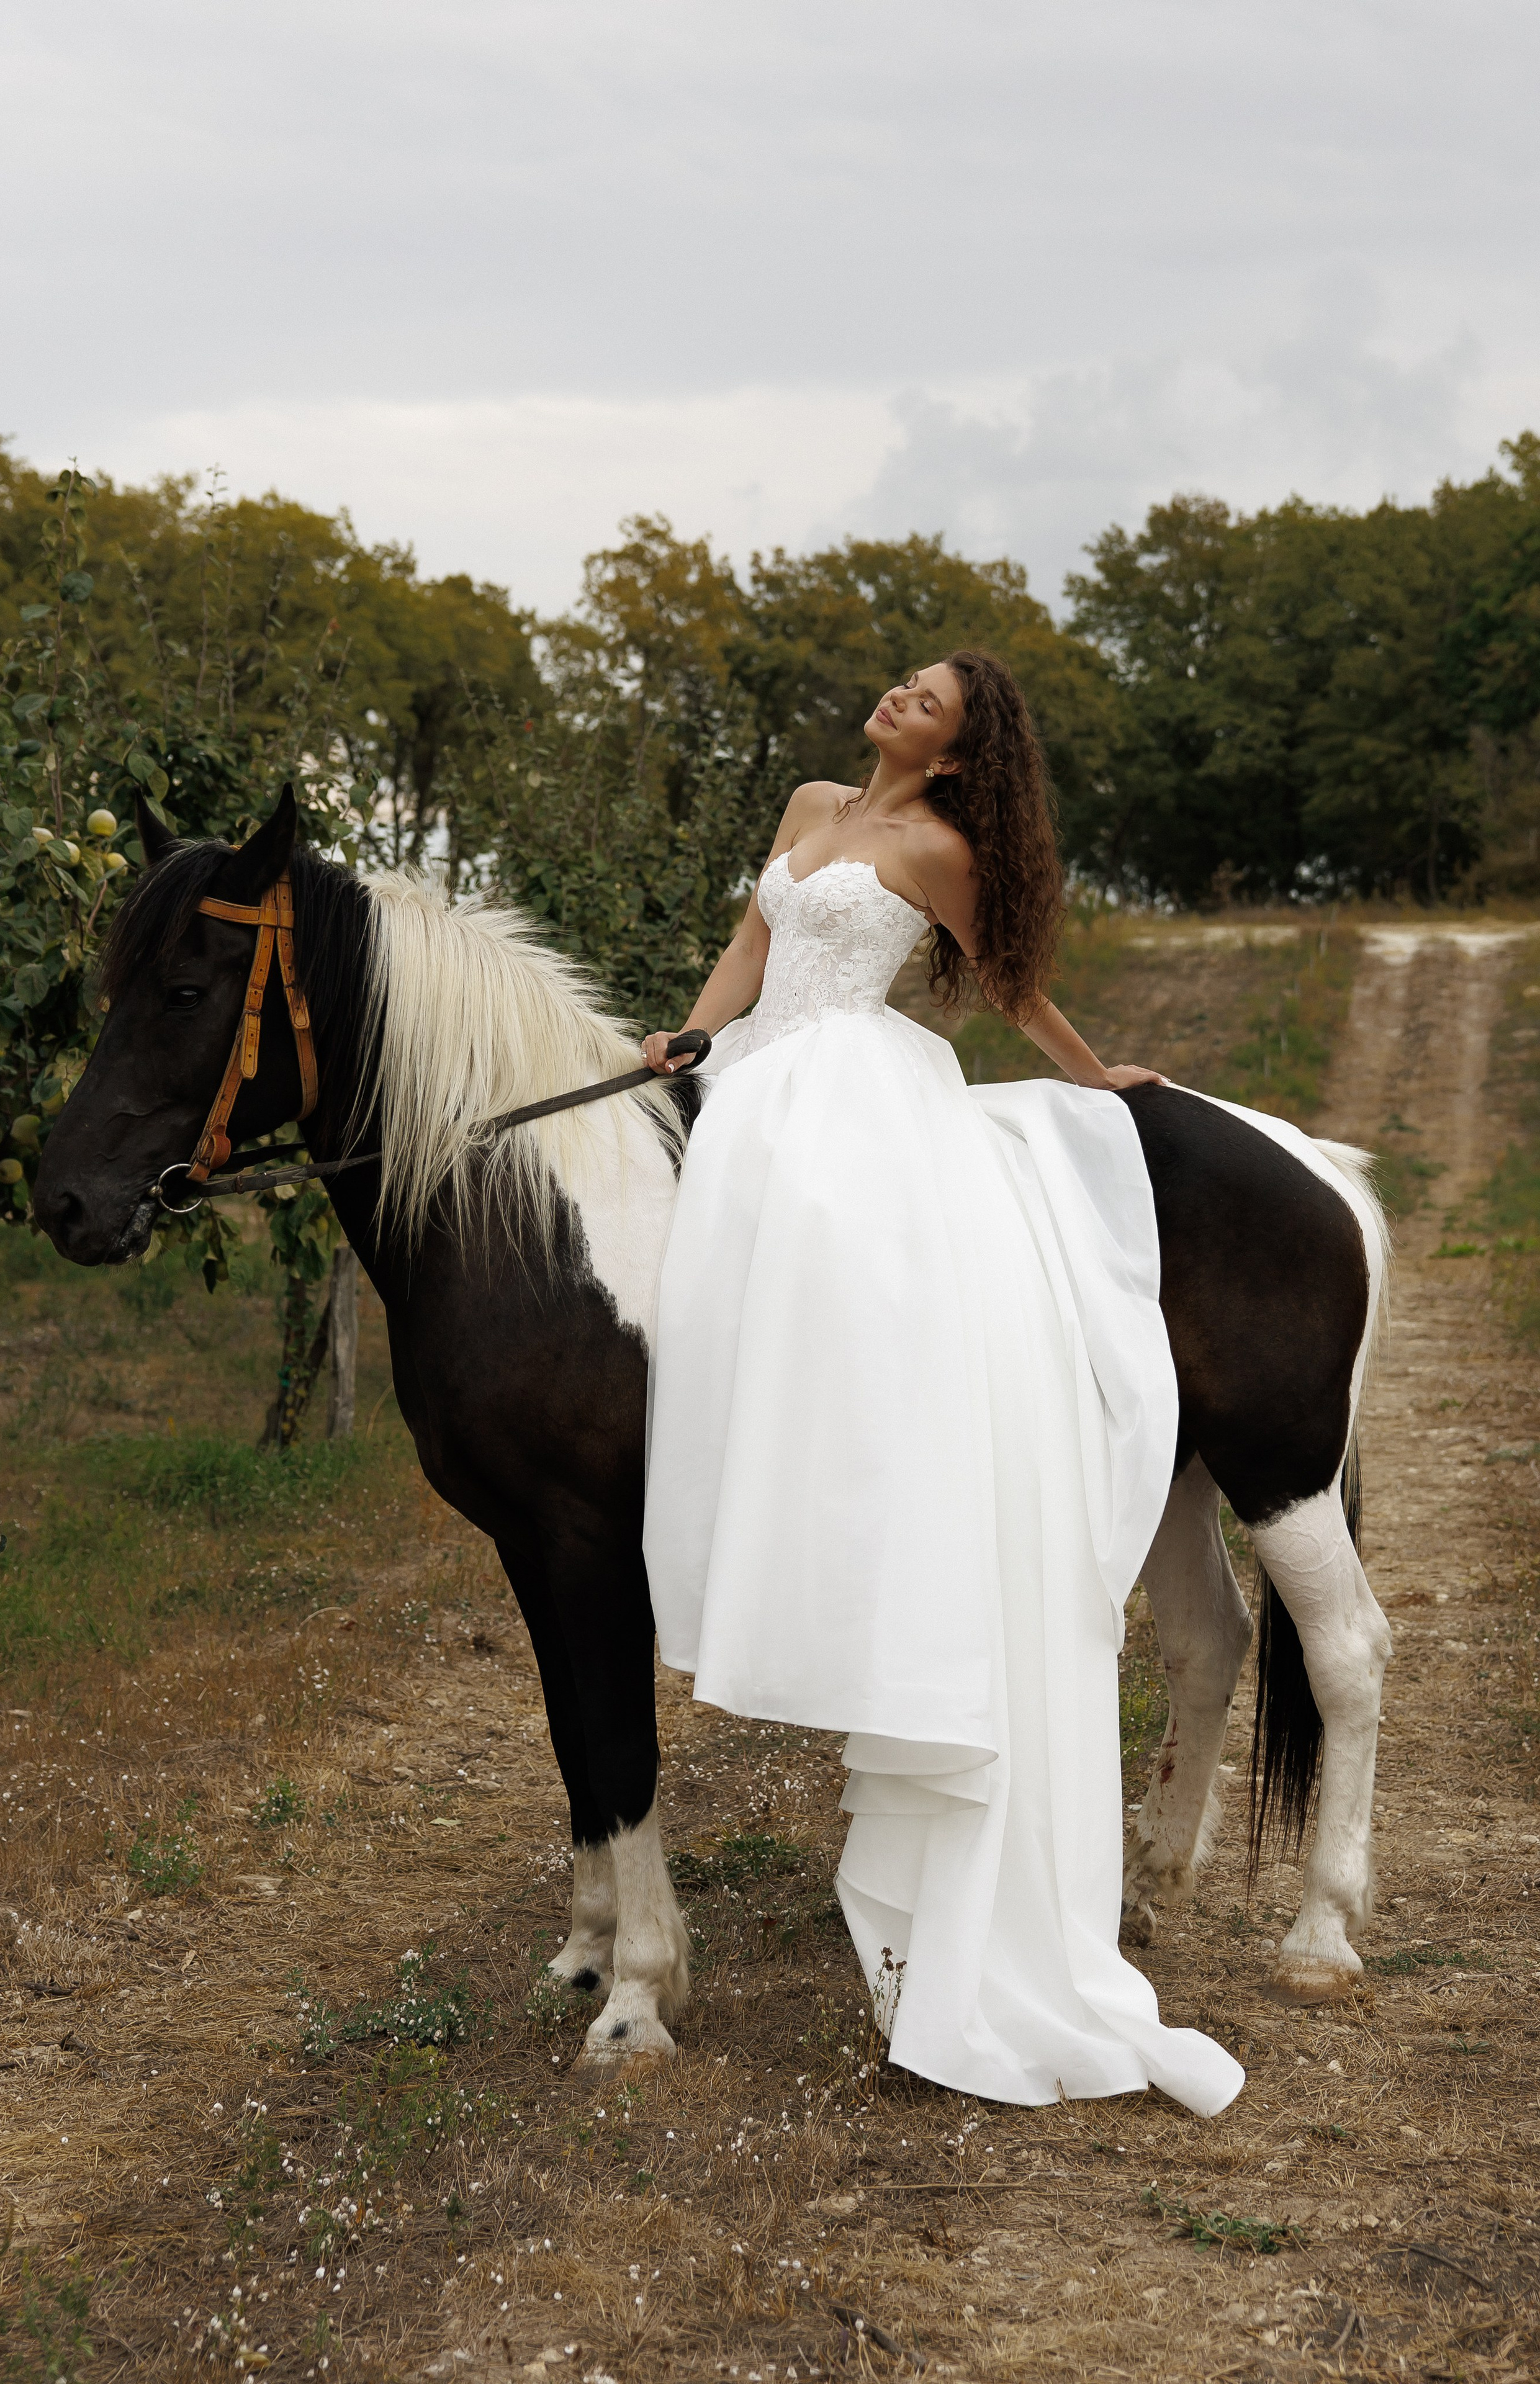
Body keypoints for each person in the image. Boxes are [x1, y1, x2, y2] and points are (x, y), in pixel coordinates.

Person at [641, 650, 1243, 2117]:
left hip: (860, 1102)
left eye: (927, 699)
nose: (895, 699)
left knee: (860, 1311)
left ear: (964, 753)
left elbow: (1015, 992)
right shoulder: (807, 801)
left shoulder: (944, 852)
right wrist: (689, 1037)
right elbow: (747, 947)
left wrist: (1102, 1084)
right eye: (900, 683)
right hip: (757, 1095)